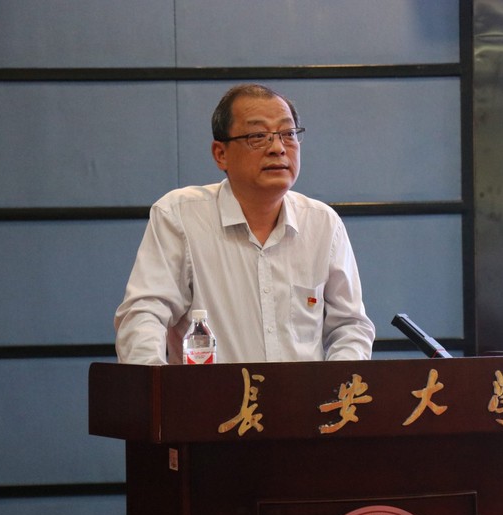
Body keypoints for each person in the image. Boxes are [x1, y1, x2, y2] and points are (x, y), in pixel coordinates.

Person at [114, 83, 375, 364]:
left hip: (304, 395)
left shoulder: (322, 224)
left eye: (288, 134)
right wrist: (156, 386)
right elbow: (144, 315)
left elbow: (350, 327)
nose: (278, 148)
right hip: (213, 394)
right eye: (258, 136)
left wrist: (335, 385)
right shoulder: (180, 217)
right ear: (220, 154)